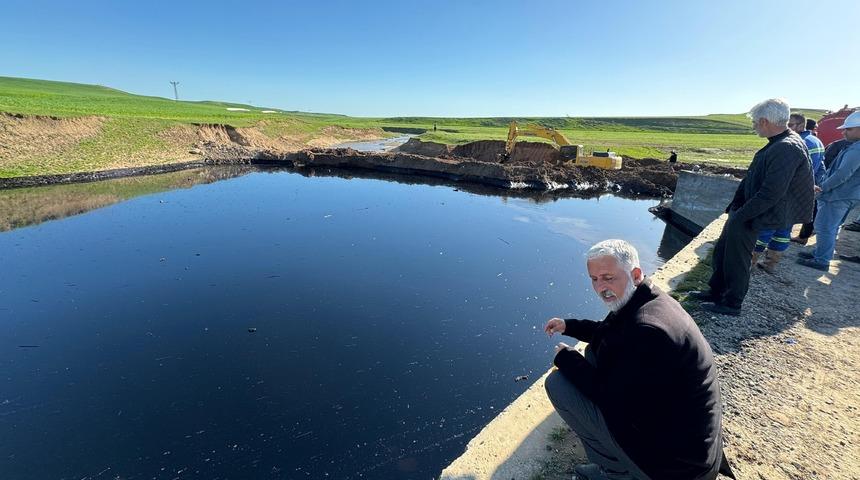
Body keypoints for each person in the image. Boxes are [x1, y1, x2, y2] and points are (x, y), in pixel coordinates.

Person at [544, 239, 731, 480]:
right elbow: (611, 332)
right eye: (594, 279)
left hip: (679, 469)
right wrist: (569, 326)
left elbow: (610, 397)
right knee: (596, 351)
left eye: (608, 278)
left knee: (558, 385)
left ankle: (617, 473)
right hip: (692, 450)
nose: (601, 287)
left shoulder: (647, 330)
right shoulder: (649, 299)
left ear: (635, 274)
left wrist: (567, 359)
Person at [694, 99, 813, 315]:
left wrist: (742, 215)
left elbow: (771, 193)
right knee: (723, 252)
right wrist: (735, 208)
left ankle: (732, 303)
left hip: (755, 214)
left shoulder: (786, 147)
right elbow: (756, 179)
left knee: (737, 259)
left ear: (765, 121)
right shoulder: (780, 142)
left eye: (755, 122)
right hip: (746, 210)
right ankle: (715, 291)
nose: (754, 126)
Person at [796, 111, 860, 270]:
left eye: (849, 129)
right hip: (848, 194)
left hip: (839, 195)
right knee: (833, 226)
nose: (844, 132)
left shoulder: (856, 150)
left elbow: (842, 174)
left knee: (825, 226)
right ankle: (821, 253)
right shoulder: (855, 147)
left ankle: (821, 260)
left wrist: (822, 187)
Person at [790, 113, 827, 245]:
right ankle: (803, 236)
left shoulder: (799, 142)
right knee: (811, 210)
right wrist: (817, 182)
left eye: (790, 125)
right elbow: (821, 165)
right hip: (812, 182)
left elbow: (796, 169)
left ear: (801, 126)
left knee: (788, 213)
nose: (786, 127)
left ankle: (779, 242)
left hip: (799, 185)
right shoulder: (816, 141)